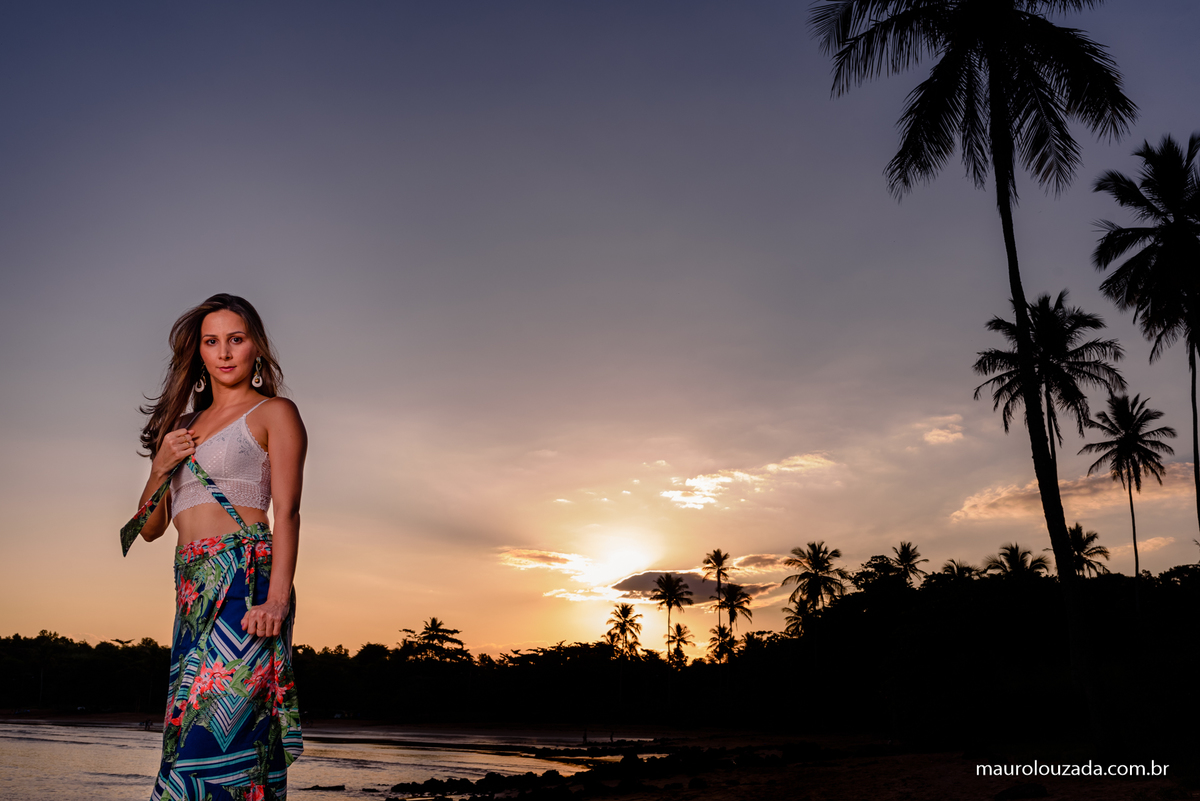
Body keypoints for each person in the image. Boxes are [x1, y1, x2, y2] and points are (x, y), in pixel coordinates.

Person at [124, 293, 306, 801]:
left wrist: (277, 599)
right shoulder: (179, 428)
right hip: (191, 588)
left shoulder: (275, 413)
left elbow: (287, 512)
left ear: (256, 348)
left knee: (223, 729)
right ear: (199, 354)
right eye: (212, 341)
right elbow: (150, 528)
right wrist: (160, 465)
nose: (224, 352)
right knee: (186, 729)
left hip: (246, 584)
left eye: (236, 339)